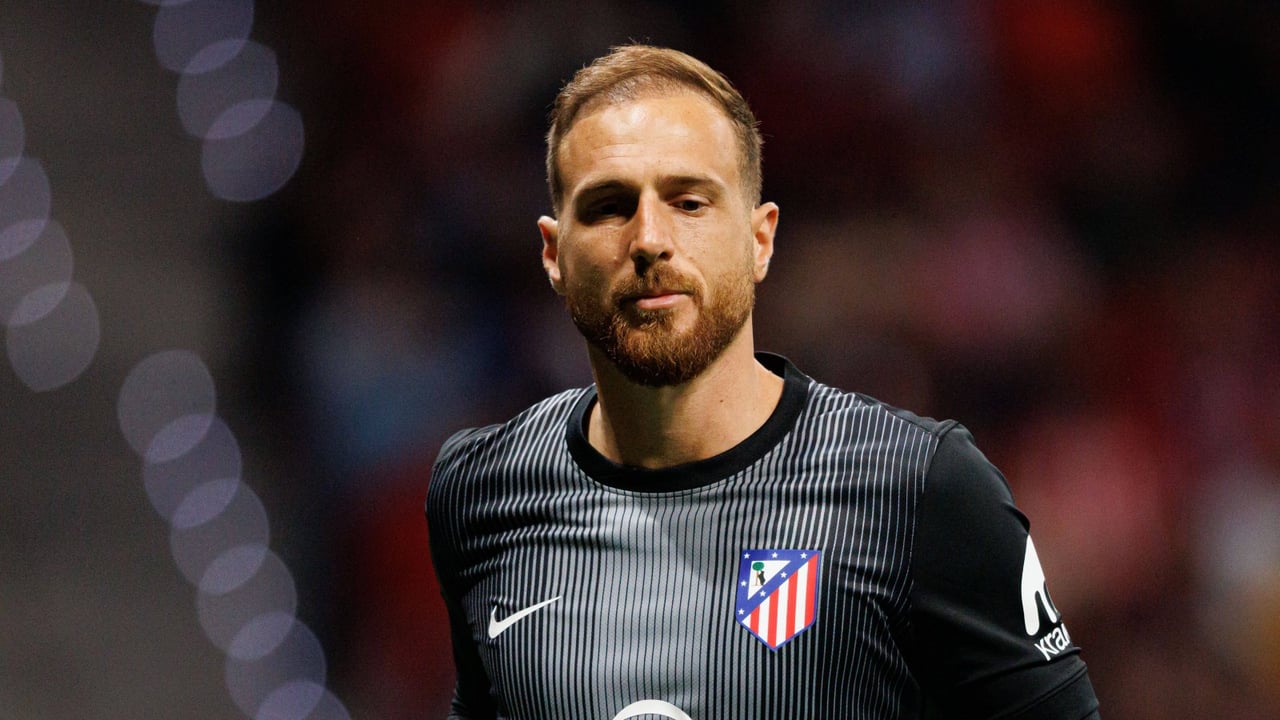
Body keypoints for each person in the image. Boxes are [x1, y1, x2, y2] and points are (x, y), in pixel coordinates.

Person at [426, 44, 1100, 719]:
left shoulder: (920, 487)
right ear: (553, 254)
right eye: (608, 206)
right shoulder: (480, 491)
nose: (650, 238)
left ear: (760, 240)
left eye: (689, 201)